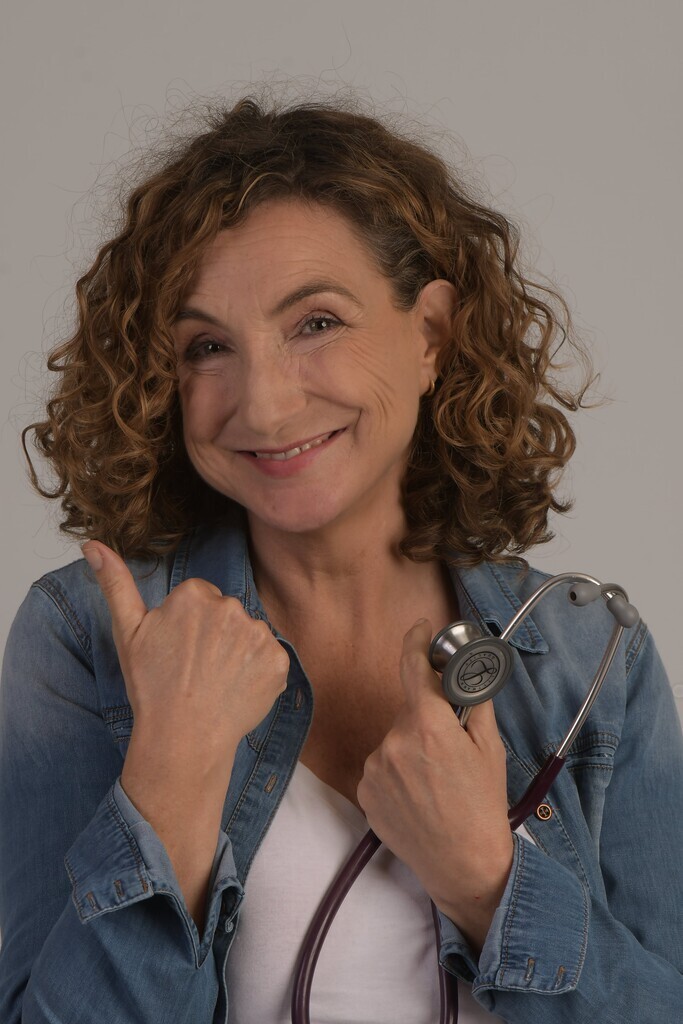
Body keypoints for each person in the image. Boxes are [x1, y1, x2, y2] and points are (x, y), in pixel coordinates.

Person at [0, 90, 681, 1024]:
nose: (264, 404)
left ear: (430, 335)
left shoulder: (590, 657)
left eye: (315, 323)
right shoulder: (87, 638)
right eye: (207, 346)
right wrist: (170, 774)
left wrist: (486, 883)